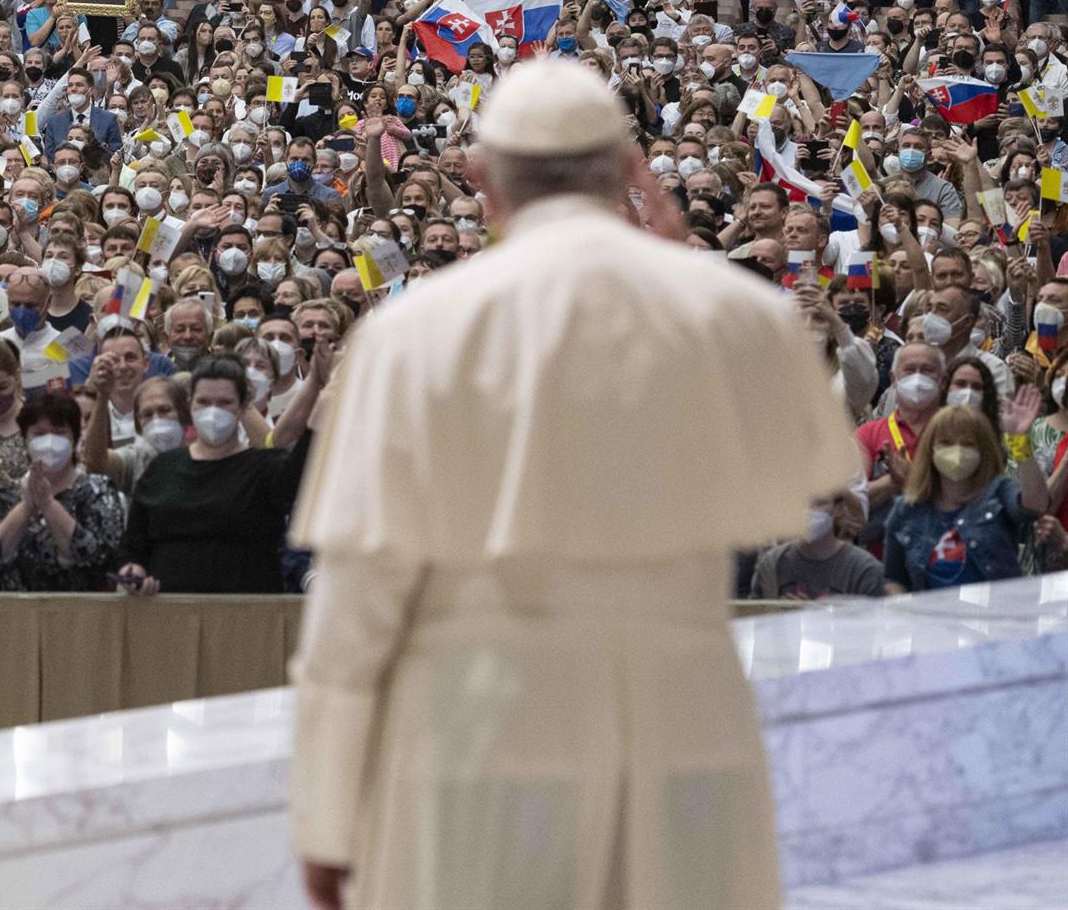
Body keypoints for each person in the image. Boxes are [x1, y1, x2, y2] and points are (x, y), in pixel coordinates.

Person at [288, 61, 859, 910]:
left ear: (481, 179)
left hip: (481, 734)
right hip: (685, 731)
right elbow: (818, 477)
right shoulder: (735, 311)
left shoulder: (408, 333)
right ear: (631, 168)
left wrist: (326, 815)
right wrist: (689, 283)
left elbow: (355, 605)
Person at [117, 350, 331, 595]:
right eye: (204, 402)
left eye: (224, 403)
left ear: (242, 406)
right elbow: (133, 545)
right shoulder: (162, 468)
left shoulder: (267, 468)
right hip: (171, 614)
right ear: (190, 406)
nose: (213, 411)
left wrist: (322, 387)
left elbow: (302, 468)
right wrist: (132, 570)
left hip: (245, 616)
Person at [0, 391, 123, 591]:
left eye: (59, 432)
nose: (49, 442)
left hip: (82, 615)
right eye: (39, 434)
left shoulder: (98, 490)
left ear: (74, 439)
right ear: (25, 439)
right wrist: (26, 508)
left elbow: (102, 562)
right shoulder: (0, 496)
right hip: (14, 614)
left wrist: (48, 505)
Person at [883, 405, 1048, 592]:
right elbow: (893, 578)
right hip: (929, 619)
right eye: (946, 443)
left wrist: (1021, 444)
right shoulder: (906, 509)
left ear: (983, 451)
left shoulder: (999, 492)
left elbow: (1036, 505)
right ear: (930, 449)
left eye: (968, 444)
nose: (957, 451)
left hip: (996, 617)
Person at [748, 489, 884, 599]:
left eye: (818, 503)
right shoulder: (771, 566)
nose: (808, 511)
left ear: (838, 508)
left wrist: (812, 618)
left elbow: (872, 629)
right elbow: (754, 620)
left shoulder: (864, 571)